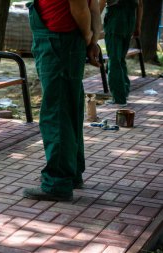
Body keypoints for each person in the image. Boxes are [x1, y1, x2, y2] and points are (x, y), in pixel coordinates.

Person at [23, 0, 101, 201]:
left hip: (58, 42)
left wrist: (88, 37)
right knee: (70, 108)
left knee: (56, 113)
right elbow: (94, 7)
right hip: (65, 41)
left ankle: (57, 182)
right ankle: (72, 173)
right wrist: (92, 41)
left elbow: (80, 6)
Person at [99, 0, 143, 106]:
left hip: (115, 20)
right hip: (130, 20)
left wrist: (93, 23)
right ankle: (124, 91)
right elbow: (140, 4)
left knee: (114, 60)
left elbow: (101, 3)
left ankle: (119, 98)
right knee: (121, 58)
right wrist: (138, 26)